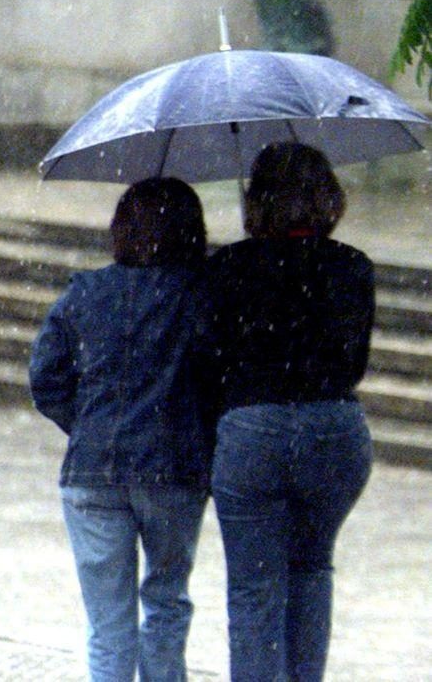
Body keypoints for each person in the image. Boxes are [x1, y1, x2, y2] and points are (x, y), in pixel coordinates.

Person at [196, 142, 374, 682]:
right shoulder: (353, 267)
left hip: (253, 430)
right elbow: (354, 364)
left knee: (254, 588)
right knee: (313, 569)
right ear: (328, 197)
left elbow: (210, 363)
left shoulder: (227, 266)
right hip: (335, 431)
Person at [29, 177, 213, 681]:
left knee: (107, 626)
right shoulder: (199, 296)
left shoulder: (85, 292)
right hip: (174, 468)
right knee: (167, 600)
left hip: (92, 471)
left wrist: (90, 424)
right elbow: (216, 376)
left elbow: (45, 378)